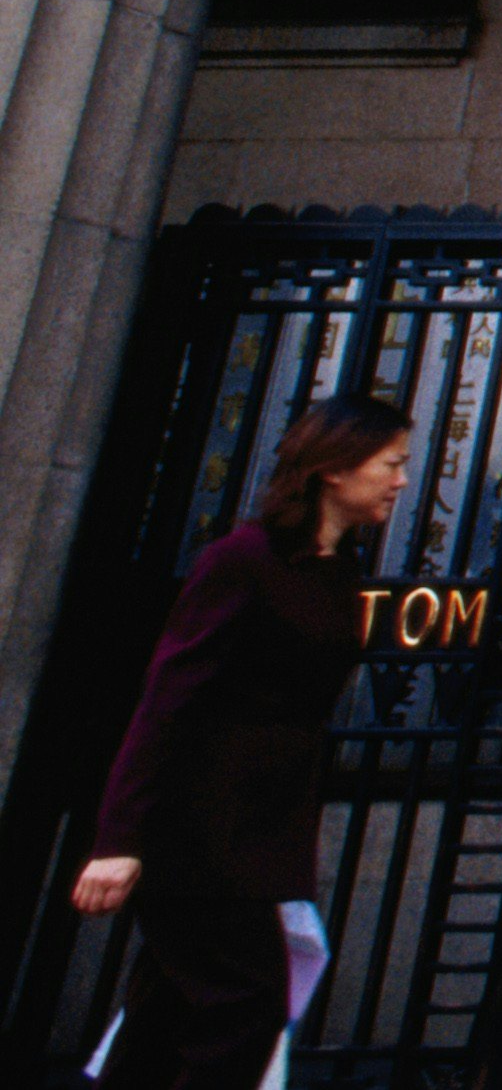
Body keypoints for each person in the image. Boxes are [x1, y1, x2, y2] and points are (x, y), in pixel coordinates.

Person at [77, 395, 412, 1090]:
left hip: (260, 830)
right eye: (391, 464)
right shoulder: (243, 559)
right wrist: (118, 839)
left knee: (167, 1011)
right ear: (334, 468)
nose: (402, 481)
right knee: (247, 1004)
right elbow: (168, 702)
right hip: (195, 828)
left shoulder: (337, 574)